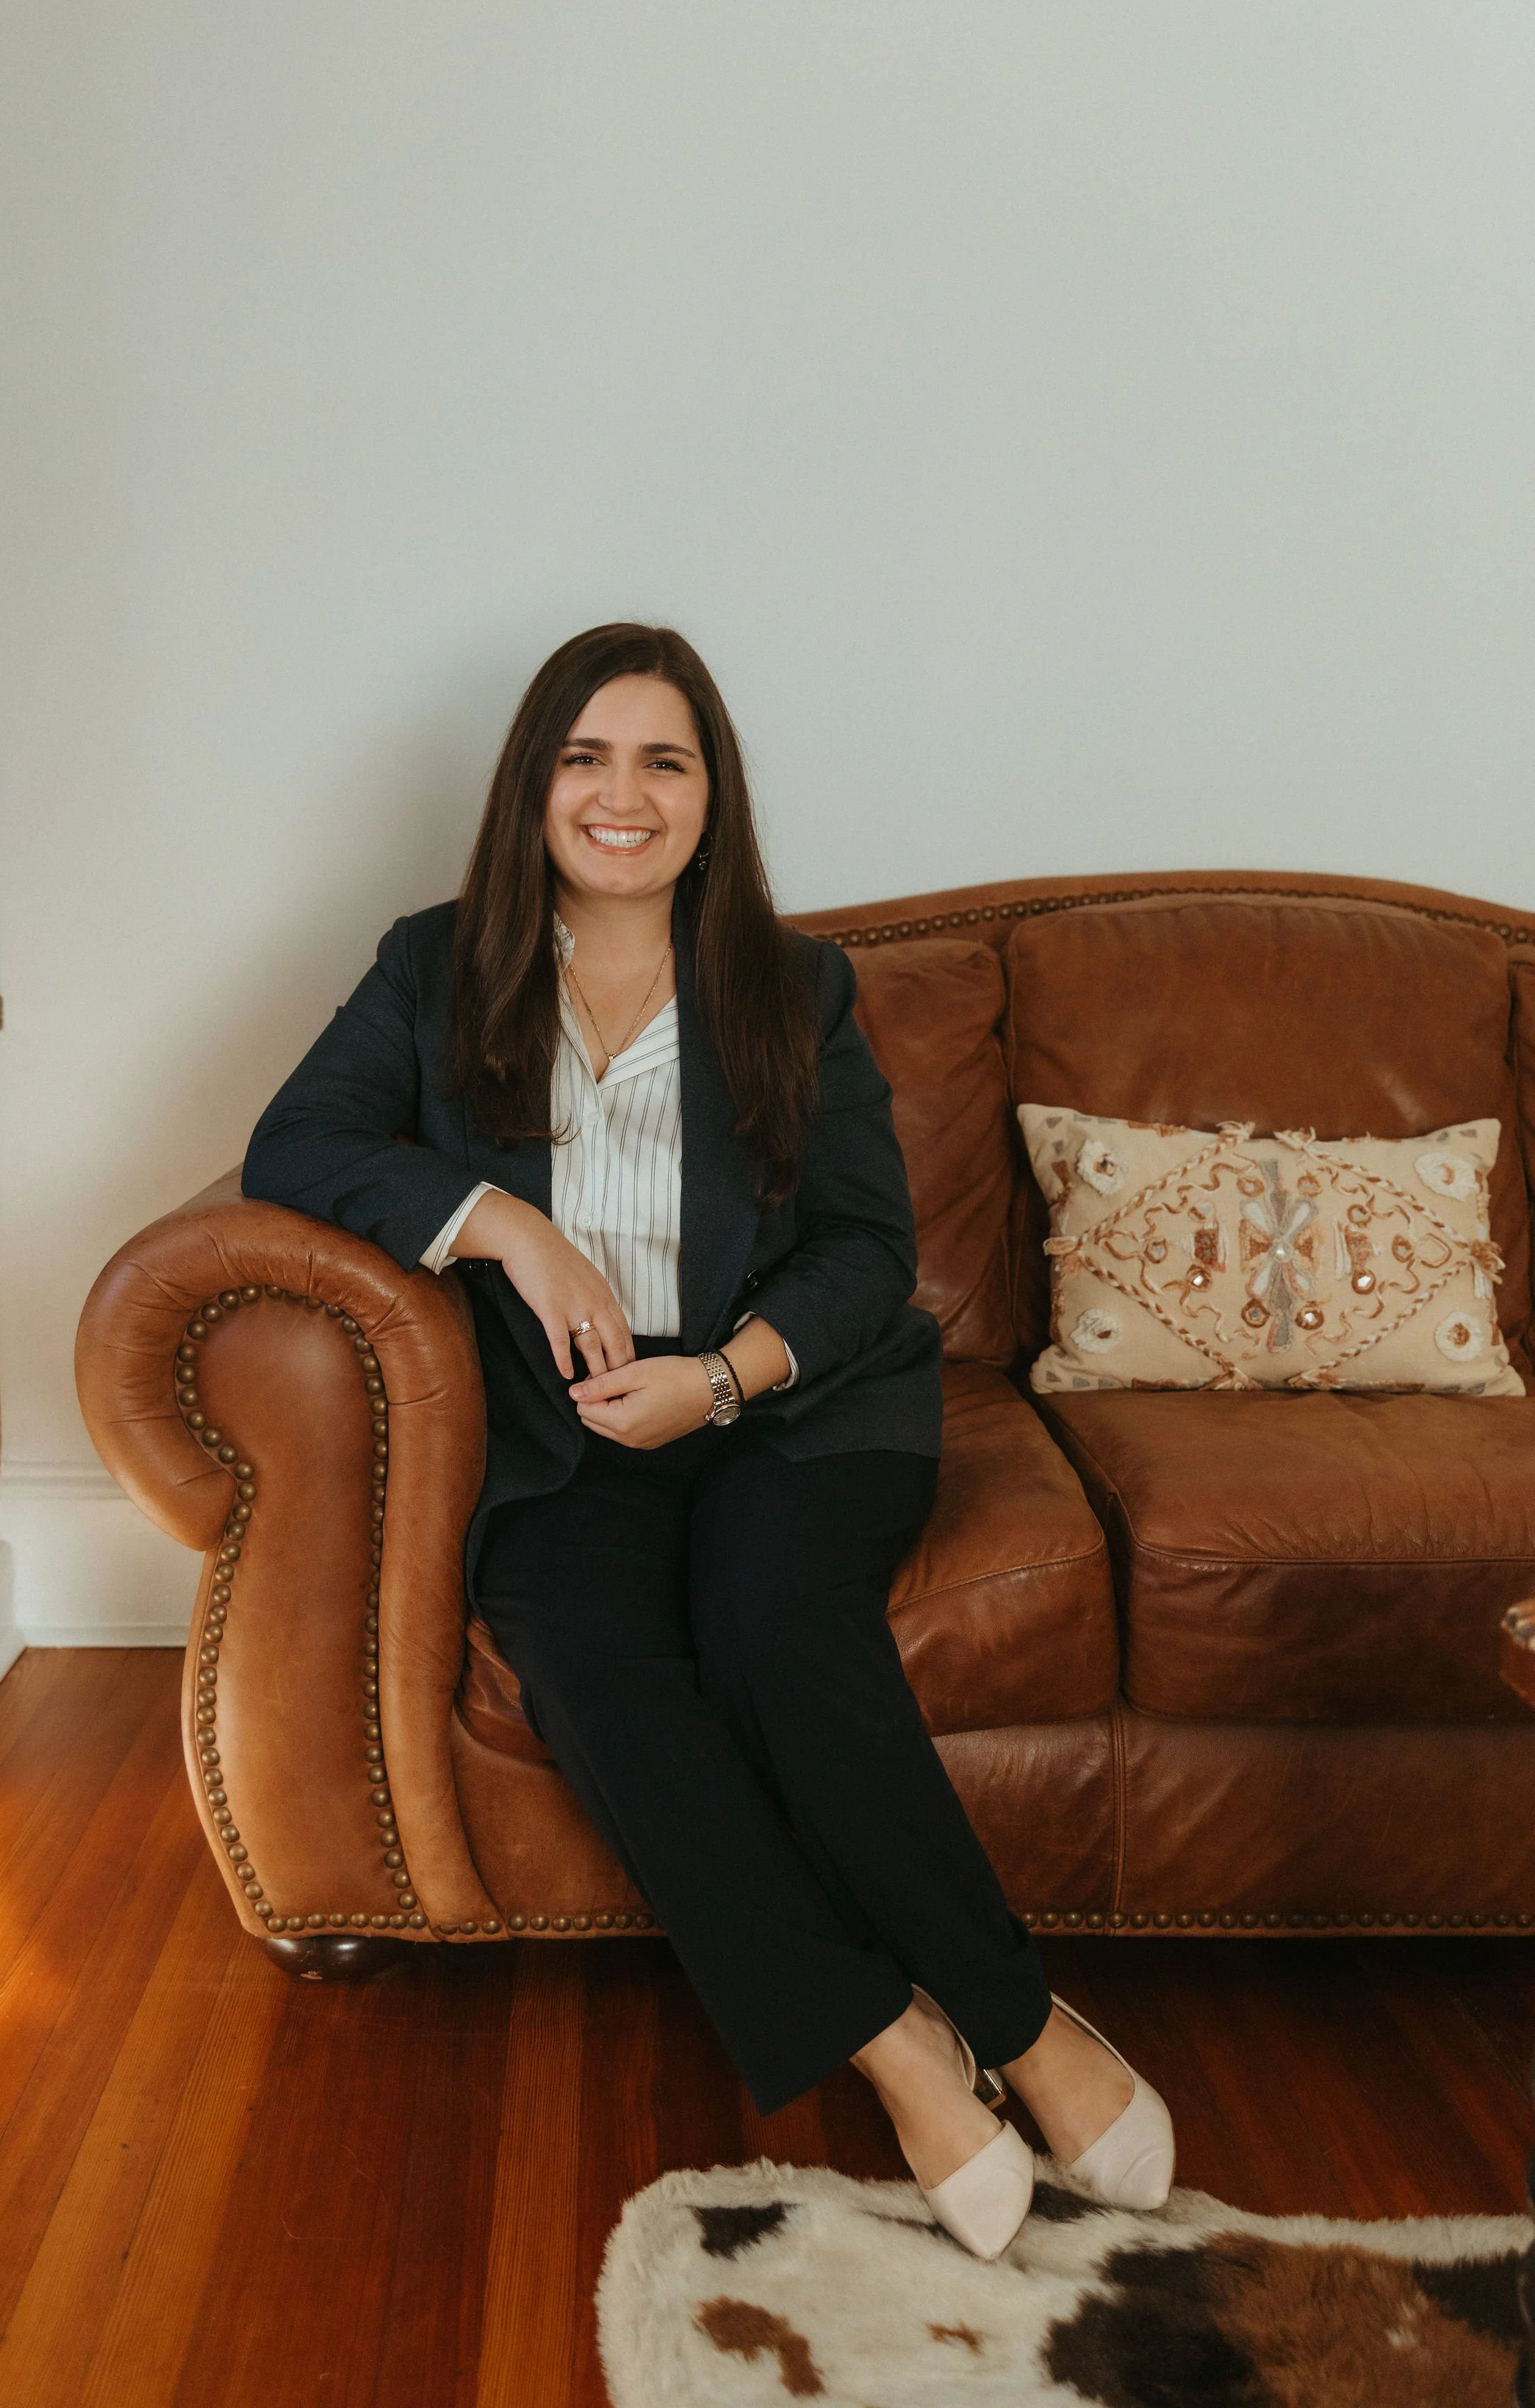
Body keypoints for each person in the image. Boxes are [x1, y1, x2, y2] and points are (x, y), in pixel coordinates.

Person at [242, 621, 1173, 2255]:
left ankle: (1025, 2024)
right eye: (586, 757)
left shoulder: (792, 986)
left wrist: (723, 1380)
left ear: (710, 795)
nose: (623, 794)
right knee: (595, 1666)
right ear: (534, 783)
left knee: (770, 1631)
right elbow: (295, 1141)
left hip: (793, 1400)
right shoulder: (431, 965)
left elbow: (869, 1256)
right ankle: (889, 2040)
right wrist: (510, 1232)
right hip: (564, 1425)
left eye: (664, 760)